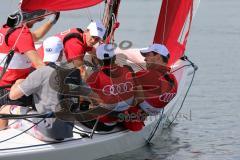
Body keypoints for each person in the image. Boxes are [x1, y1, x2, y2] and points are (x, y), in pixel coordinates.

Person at [0, 36, 74, 141]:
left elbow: (13, 95)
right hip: (67, 130)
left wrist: (18, 82)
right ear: (62, 52)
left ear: (43, 50)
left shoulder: (40, 73)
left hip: (48, 131)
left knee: (5, 109)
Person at [0, 12, 60, 106]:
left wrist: (51, 21)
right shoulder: (22, 34)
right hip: (14, 90)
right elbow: (40, 65)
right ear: (35, 15)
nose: (43, 17)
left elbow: (35, 37)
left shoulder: (8, 27)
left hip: (3, 86)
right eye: (42, 15)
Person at [86, 44, 144, 131]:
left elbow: (89, 101)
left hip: (106, 124)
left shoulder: (94, 76)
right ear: (114, 57)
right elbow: (141, 97)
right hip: (125, 115)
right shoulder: (128, 70)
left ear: (98, 59)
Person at [37, 21, 106, 73]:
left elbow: (93, 52)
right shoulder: (75, 42)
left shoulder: (82, 36)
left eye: (97, 39)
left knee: (88, 67)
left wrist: (100, 65)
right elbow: (81, 70)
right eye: (93, 36)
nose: (93, 40)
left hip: (49, 60)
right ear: (86, 31)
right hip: (41, 65)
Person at [135, 44, 178, 116]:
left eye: (148, 55)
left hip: (131, 118)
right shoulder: (173, 79)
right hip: (151, 113)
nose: (145, 59)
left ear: (158, 57)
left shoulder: (146, 75)